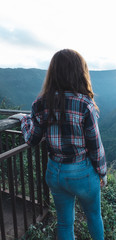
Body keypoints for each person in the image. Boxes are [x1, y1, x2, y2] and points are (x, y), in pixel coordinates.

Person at [9, 49, 107, 240]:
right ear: (80, 72)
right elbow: (95, 146)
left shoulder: (40, 104)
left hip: (55, 172)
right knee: (94, 216)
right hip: (82, 173)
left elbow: (32, 139)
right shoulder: (85, 104)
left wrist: (24, 120)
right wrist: (102, 172)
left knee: (64, 223)